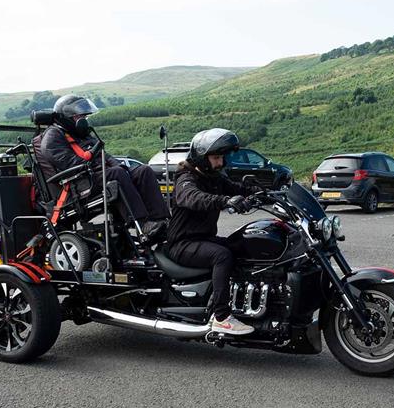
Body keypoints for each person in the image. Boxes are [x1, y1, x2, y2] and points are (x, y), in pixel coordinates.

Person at [33, 94, 170, 239]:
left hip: (96, 176)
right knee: (116, 174)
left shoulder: (82, 134)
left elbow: (106, 155)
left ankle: (161, 221)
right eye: (79, 117)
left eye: (85, 117)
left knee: (143, 171)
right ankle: (142, 225)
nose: (83, 121)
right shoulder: (52, 138)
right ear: (65, 117)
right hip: (79, 184)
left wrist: (123, 168)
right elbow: (71, 164)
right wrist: (100, 163)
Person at [165, 128, 260, 335]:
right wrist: (225, 201)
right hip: (182, 243)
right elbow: (192, 197)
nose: (220, 163)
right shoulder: (186, 178)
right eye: (216, 157)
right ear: (201, 157)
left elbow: (236, 188)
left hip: (203, 239)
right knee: (222, 256)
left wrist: (262, 192)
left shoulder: (214, 177)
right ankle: (221, 317)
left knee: (243, 245)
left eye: (222, 157)